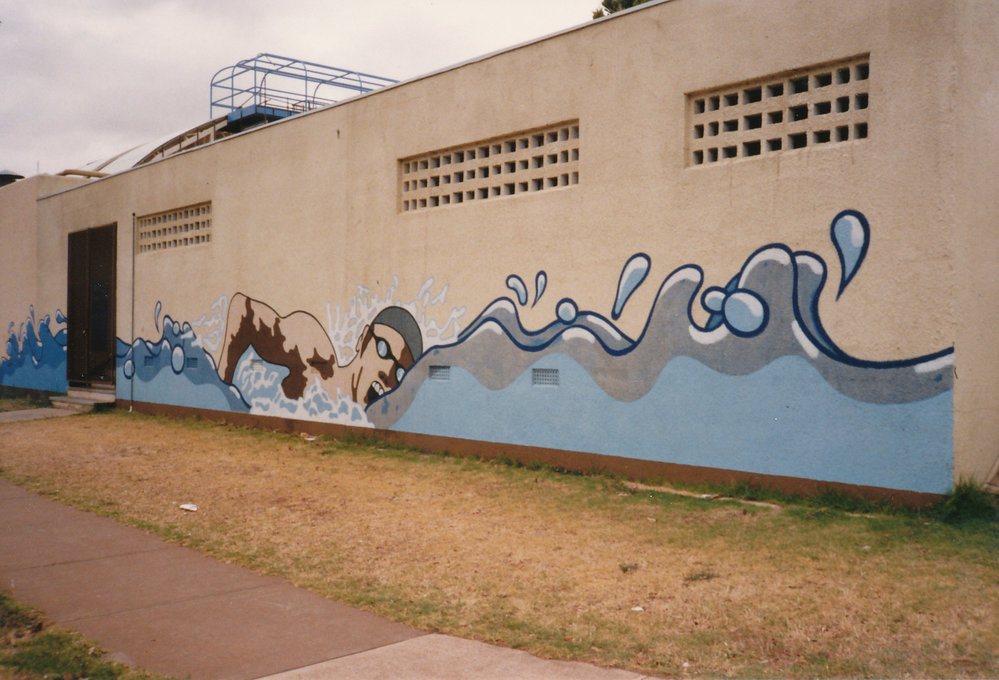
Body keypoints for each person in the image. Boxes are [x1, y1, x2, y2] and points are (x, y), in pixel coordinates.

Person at [216, 293, 422, 406]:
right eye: (383, 349)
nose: (388, 374)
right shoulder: (314, 353)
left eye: (401, 372)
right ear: (362, 339)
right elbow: (243, 310)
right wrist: (224, 394)